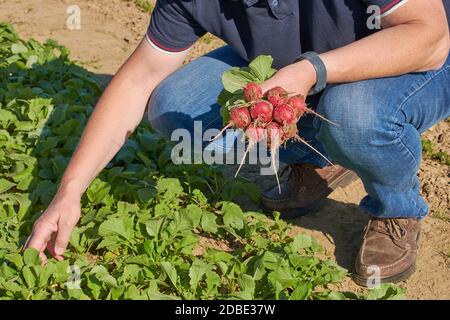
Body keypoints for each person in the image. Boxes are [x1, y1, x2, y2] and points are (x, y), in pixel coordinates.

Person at [26, 0, 450, 286]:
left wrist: (311, 71)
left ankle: (396, 208)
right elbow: (140, 78)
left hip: (414, 55)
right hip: (298, 58)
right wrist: (68, 193)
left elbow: (428, 38)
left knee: (354, 113)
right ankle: (313, 162)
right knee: (177, 109)